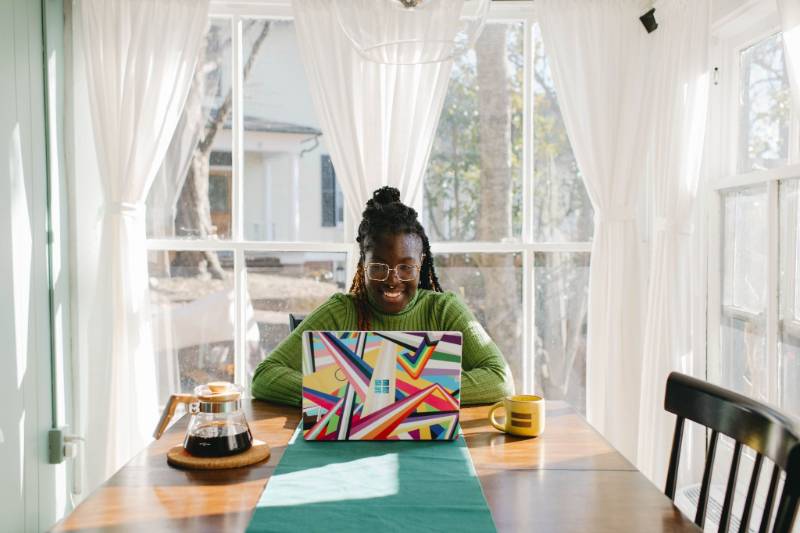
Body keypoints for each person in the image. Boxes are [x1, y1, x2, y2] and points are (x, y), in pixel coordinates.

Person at [251, 186, 514, 406]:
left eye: (405, 267)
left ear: (420, 265)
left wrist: (394, 394)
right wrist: (344, 394)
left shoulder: (443, 309)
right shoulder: (342, 311)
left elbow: (500, 379)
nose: (392, 279)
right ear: (362, 264)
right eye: (378, 267)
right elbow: (265, 376)